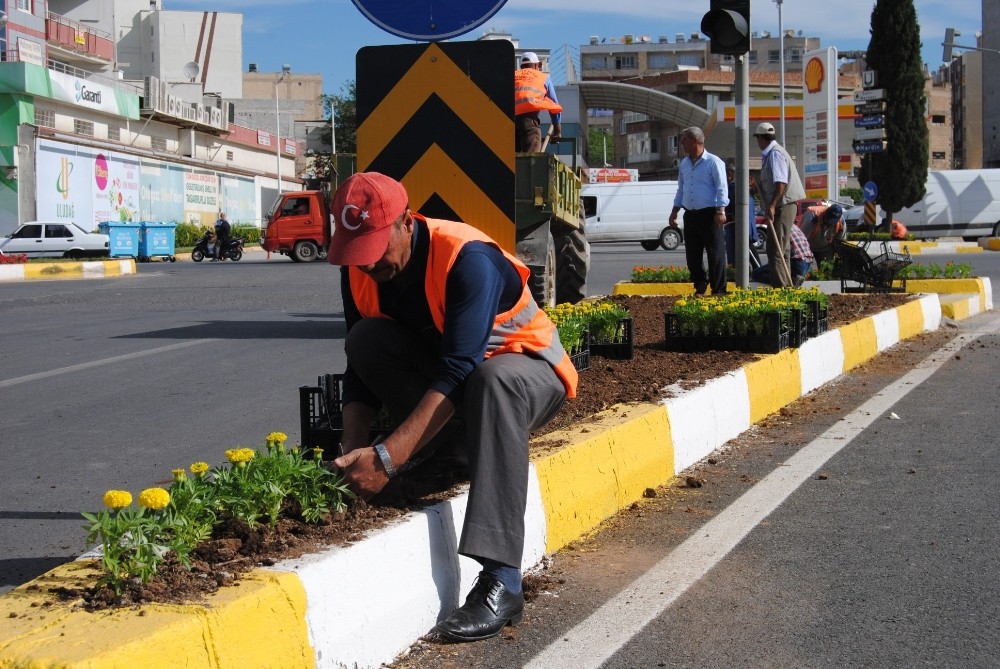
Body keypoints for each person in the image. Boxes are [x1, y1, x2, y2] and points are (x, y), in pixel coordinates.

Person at [327, 172, 577, 643]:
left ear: (406, 220)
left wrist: (386, 459)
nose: (368, 263)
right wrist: (353, 450)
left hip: (527, 374)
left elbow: (461, 367)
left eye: (377, 246)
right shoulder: (361, 268)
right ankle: (456, 452)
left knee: (491, 379)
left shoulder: (466, 258)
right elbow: (359, 368)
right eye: (357, 252)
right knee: (366, 340)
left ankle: (502, 580)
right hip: (462, 387)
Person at [668, 126, 729, 296]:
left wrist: (720, 210)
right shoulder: (685, 164)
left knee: (715, 253)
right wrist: (674, 211)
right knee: (692, 255)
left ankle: (719, 289)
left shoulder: (713, 162)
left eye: (684, 139)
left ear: (695, 142)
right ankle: (700, 282)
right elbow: (681, 189)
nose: (681, 143)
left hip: (710, 214)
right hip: (691, 214)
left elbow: (721, 188)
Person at [754, 122, 806, 287]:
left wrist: (771, 205)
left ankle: (781, 288)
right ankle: (786, 285)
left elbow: (781, 184)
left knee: (775, 249)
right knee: (782, 249)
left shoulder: (775, 154)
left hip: (783, 205)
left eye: (758, 139)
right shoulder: (771, 154)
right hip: (782, 204)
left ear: (762, 139)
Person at [514, 52, 562, 152]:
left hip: (506, 121)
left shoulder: (513, 75)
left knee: (511, 160)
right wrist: (557, 132)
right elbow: (554, 105)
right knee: (531, 160)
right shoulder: (543, 77)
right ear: (536, 65)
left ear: (521, 66)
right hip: (528, 122)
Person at [752, 221, 814, 287]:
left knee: (756, 274)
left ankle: (787, 281)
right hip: (808, 263)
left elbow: (776, 253)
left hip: (797, 263)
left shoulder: (778, 228)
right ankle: (794, 277)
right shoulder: (793, 226)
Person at [724, 161, 761, 268]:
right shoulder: (743, 187)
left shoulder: (733, 187)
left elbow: (729, 207)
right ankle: (757, 270)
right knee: (749, 250)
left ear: (730, 173)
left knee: (737, 255)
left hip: (736, 227)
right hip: (746, 226)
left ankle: (744, 275)